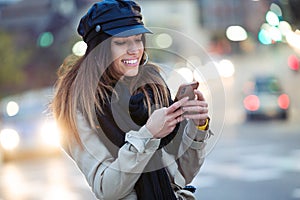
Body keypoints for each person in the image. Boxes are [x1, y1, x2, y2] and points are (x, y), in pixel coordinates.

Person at [52, 0, 212, 199]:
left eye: (138, 39)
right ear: (99, 48)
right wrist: (148, 135)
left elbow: (181, 176)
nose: (134, 49)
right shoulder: (78, 104)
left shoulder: (151, 85)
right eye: (121, 42)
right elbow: (107, 190)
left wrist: (197, 126)